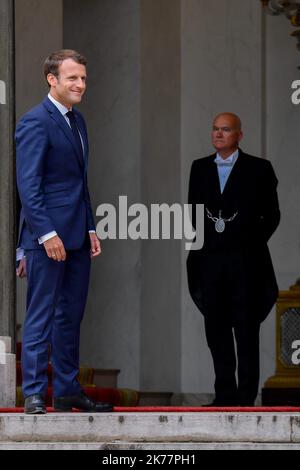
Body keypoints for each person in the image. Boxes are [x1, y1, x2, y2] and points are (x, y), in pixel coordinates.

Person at [16, 49, 113, 414]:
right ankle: (36, 393)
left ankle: (69, 391)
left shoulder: (78, 121)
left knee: (71, 315)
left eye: (83, 78)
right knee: (41, 314)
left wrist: (89, 227)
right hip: (47, 239)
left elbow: (79, 182)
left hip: (76, 236)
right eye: (72, 78)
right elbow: (28, 186)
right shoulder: (34, 122)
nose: (80, 84)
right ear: (51, 79)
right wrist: (45, 235)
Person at [187, 112, 280, 406]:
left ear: (239, 135)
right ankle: (224, 394)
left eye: (225, 130)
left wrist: (249, 242)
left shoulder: (259, 168)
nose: (218, 134)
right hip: (211, 263)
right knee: (216, 330)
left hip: (247, 264)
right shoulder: (199, 168)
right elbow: (194, 213)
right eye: (215, 129)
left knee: (246, 330)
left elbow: (273, 215)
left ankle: (246, 395)